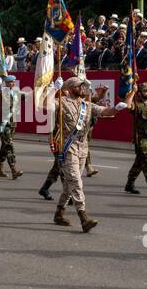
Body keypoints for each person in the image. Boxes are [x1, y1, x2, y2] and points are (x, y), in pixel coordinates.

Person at [51, 76, 126, 231]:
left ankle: (59, 213)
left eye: (83, 86)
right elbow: (43, 106)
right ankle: (83, 217)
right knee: (76, 183)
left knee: (69, 185)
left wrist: (117, 109)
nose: (83, 88)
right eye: (80, 86)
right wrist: (54, 89)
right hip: (68, 147)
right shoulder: (62, 102)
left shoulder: (87, 105)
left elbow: (106, 112)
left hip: (83, 148)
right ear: (71, 88)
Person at [0, 74, 26, 179]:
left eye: (13, 82)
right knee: (9, 145)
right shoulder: (1, 92)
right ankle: (14, 169)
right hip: (4, 123)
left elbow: (27, 96)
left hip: (12, 122)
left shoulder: (16, 92)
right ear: (6, 83)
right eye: (10, 82)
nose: (12, 83)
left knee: (5, 144)